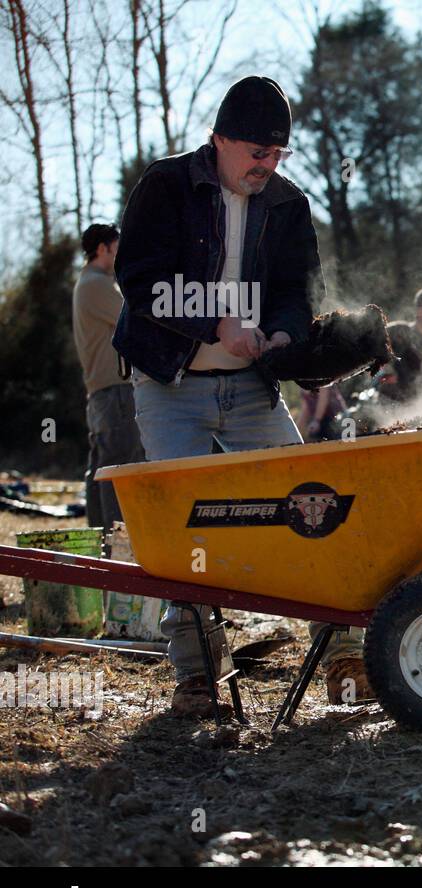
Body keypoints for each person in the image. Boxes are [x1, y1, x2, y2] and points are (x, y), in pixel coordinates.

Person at [113, 75, 367, 715]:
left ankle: (340, 653)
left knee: (309, 508)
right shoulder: (165, 186)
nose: (266, 165)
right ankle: (200, 672)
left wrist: (283, 328)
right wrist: (213, 324)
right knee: (182, 526)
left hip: (250, 389)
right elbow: (140, 280)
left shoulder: (288, 203)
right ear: (220, 138)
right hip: (170, 382)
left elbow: (296, 288)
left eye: (278, 154)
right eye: (256, 151)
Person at [72, 222, 144, 527]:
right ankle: (116, 543)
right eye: (117, 249)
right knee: (121, 468)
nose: (120, 255)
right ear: (102, 249)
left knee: (103, 466)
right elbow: (136, 321)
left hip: (104, 390)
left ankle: (103, 541)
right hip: (115, 389)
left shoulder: (89, 283)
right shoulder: (97, 285)